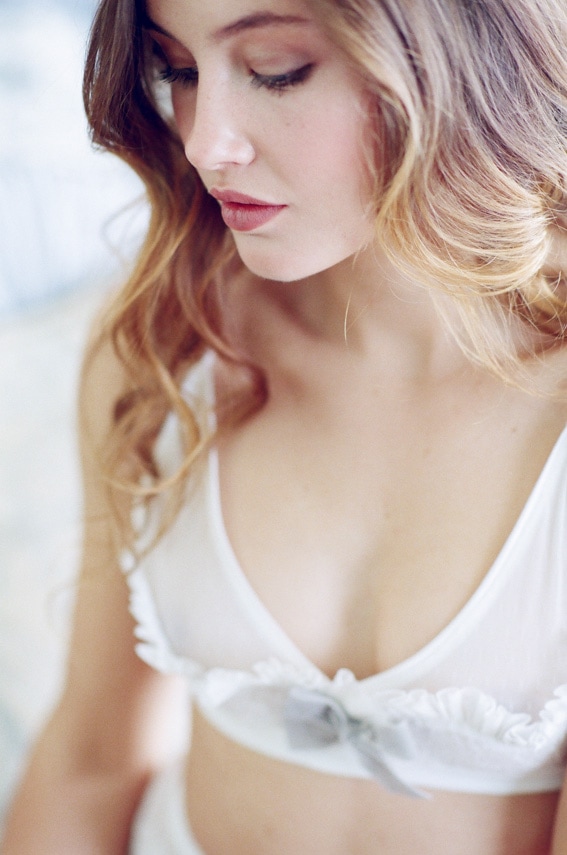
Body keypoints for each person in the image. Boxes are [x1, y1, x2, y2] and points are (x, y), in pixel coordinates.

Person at [3, 0, 567, 852]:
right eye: (179, 72)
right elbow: (90, 759)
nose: (204, 143)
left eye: (274, 70)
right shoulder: (168, 348)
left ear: (456, 56)